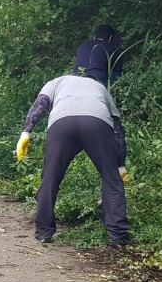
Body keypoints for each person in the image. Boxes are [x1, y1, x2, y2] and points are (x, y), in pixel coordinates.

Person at [15, 71, 131, 247]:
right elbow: (118, 128)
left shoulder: (55, 82)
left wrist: (26, 132)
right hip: (97, 123)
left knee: (50, 178)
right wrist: (120, 165)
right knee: (111, 178)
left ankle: (44, 231)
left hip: (62, 124)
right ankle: (118, 237)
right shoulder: (100, 87)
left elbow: (39, 105)